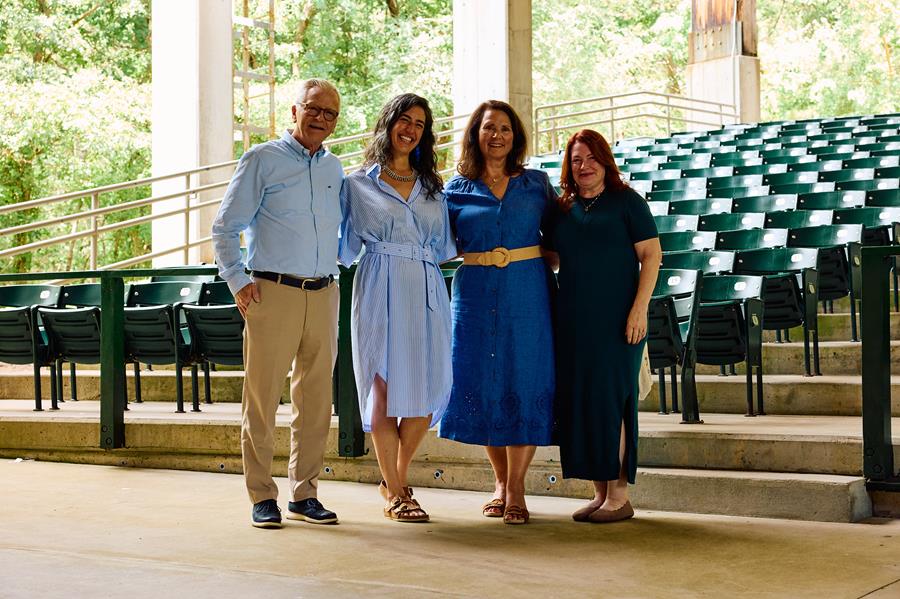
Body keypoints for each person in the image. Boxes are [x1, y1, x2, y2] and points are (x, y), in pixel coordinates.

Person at [212, 79, 344, 529]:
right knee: (262, 398)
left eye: (330, 113)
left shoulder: (335, 168)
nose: (321, 119)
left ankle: (305, 493)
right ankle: (261, 494)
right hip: (273, 293)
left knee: (316, 400)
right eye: (314, 109)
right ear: (294, 111)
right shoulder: (262, 159)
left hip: (324, 293)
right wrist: (237, 281)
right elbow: (225, 226)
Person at [438, 100, 557, 525]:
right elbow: (437, 243)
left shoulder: (536, 184)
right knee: (484, 382)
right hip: (473, 295)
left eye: (505, 128)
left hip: (528, 293)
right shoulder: (455, 189)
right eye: (489, 128)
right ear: (476, 134)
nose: (497, 136)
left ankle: (519, 488)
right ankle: (500, 483)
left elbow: (564, 235)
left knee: (524, 378)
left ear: (516, 136)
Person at [339, 93, 456, 523]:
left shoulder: (432, 187)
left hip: (425, 286)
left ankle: (394, 480)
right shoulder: (356, 184)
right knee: (383, 389)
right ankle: (396, 494)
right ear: (387, 124)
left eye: (420, 124)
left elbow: (443, 247)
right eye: (403, 120)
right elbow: (344, 246)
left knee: (425, 391)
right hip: (378, 284)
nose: (410, 129)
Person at [549, 129, 661, 523]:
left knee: (614, 401)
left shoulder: (627, 202)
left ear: (605, 161)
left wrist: (639, 310)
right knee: (584, 403)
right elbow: (551, 257)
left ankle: (620, 495)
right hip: (574, 322)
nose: (584, 166)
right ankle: (599, 492)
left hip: (619, 320)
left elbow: (651, 256)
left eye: (592, 157)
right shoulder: (563, 209)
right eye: (577, 160)